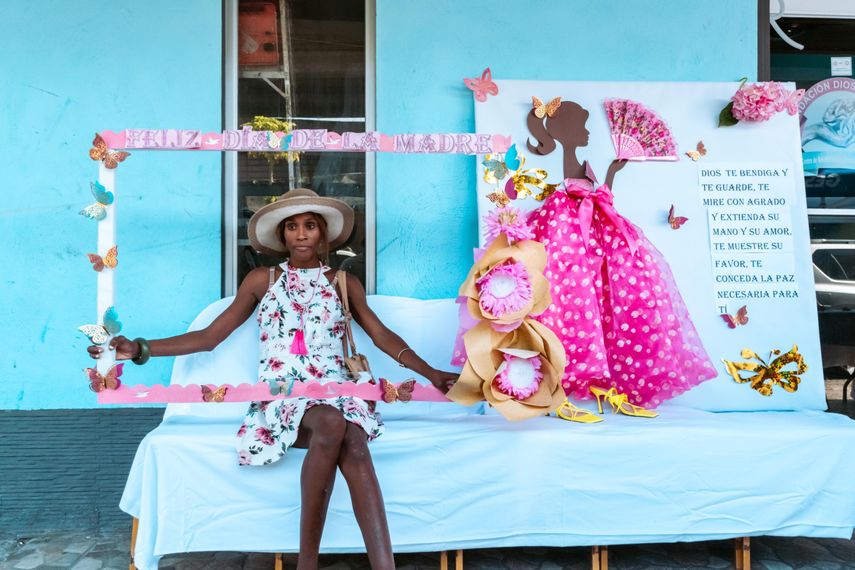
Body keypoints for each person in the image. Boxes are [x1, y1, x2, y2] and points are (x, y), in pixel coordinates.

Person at [87, 188, 458, 569]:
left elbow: (382, 336)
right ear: (282, 235)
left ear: (323, 233)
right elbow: (209, 337)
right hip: (283, 394)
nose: (301, 234)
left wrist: (432, 373)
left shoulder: (344, 283)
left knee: (355, 442)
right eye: (292, 227)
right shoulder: (261, 280)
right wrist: (140, 348)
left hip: (340, 391)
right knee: (331, 423)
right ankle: (307, 563)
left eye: (310, 226)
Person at [525, 100, 717, 408]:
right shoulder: (569, 165)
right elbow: (587, 193)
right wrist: (607, 179)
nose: (588, 133)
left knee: (600, 292)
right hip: (575, 229)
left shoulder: (581, 165)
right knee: (580, 292)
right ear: (565, 132)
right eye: (583, 127)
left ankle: (598, 384)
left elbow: (598, 194)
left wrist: (611, 174)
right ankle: (569, 383)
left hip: (592, 226)